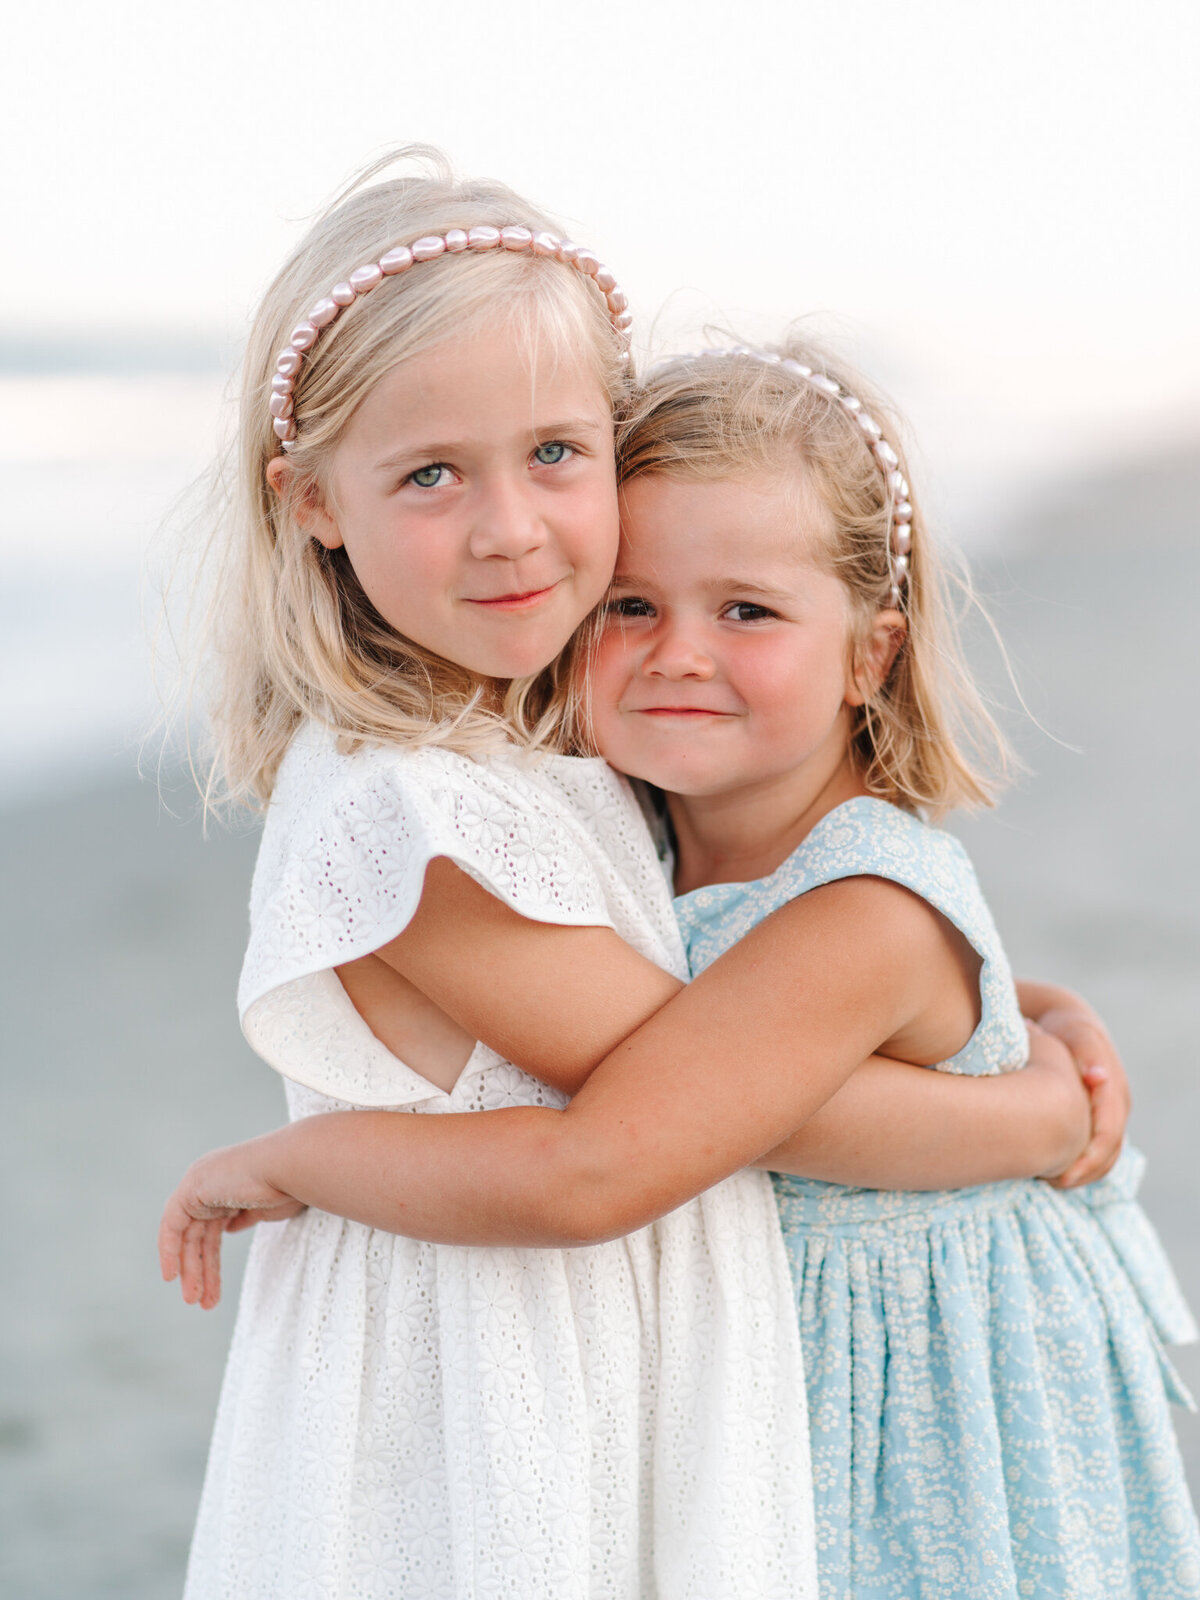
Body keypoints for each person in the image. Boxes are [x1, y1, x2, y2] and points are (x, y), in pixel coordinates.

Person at [163, 315, 1197, 1597]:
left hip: (916, 1416)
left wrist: (289, 1159)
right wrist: (1041, 1030)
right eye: (632, 606)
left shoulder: (863, 908)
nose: (680, 655)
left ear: (870, 653)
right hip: (775, 1369)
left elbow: (605, 1157)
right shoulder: (635, 828)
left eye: (748, 609)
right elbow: (784, 1023)